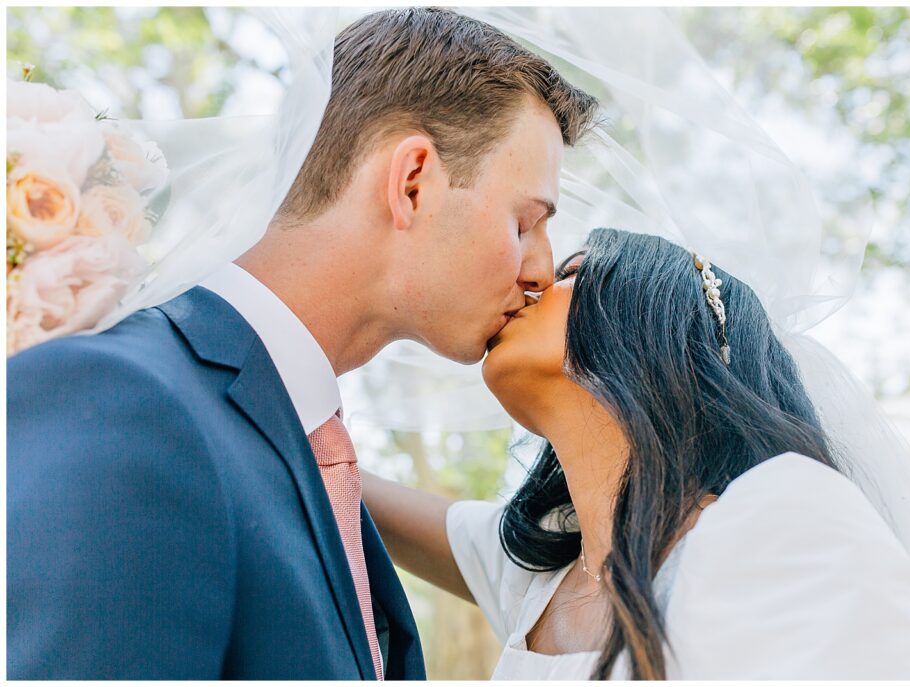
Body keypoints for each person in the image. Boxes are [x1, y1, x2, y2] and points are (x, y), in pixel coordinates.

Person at [6, 8, 597, 679]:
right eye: (525, 222)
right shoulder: (125, 402)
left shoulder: (308, 458)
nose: (540, 272)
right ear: (412, 182)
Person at [362, 227, 910, 680]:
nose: (537, 281)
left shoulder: (777, 518)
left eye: (572, 275)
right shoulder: (542, 573)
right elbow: (339, 484)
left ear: (643, 324)